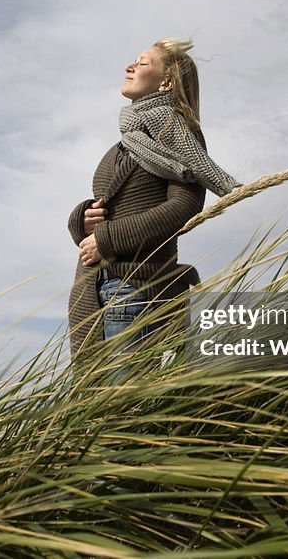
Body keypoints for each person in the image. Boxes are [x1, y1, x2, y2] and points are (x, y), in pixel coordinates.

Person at [67, 38, 239, 358]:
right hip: (97, 287)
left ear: (166, 82)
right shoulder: (127, 140)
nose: (129, 66)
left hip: (136, 290)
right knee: (96, 402)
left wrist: (107, 237)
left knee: (122, 402)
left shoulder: (175, 130)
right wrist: (83, 217)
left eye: (142, 63)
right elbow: (113, 204)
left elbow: (184, 205)